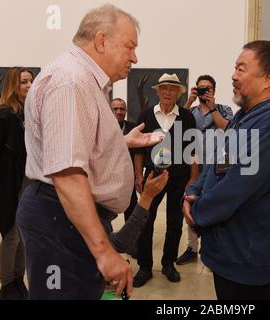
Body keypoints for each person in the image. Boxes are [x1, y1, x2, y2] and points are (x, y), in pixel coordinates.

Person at [16, 4, 163, 300]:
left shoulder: (82, 79)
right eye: (129, 47)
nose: (135, 57)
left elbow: (72, 147)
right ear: (101, 40)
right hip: (61, 221)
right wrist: (105, 252)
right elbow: (67, 175)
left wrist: (120, 144)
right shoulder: (72, 82)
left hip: (67, 219)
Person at [183, 40, 270, 300]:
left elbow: (237, 186)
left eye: (241, 69)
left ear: (268, 78)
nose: (233, 76)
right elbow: (218, 161)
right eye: (234, 68)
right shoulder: (245, 116)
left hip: (248, 258)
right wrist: (194, 189)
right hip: (228, 251)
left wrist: (197, 211)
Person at [132, 73, 198, 287]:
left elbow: (193, 150)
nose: (168, 92)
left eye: (173, 89)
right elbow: (139, 150)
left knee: (174, 222)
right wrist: (137, 175)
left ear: (178, 93)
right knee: (145, 220)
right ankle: (144, 266)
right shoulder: (145, 115)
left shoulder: (187, 117)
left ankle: (168, 263)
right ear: (158, 91)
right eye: (164, 88)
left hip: (179, 177)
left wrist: (193, 178)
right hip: (153, 175)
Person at [0, 67, 33, 300]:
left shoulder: (27, 113)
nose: (29, 86)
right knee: (11, 235)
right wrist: (1, 179)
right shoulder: (3, 113)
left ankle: (17, 280)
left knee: (23, 234)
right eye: (24, 82)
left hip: (27, 182)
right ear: (13, 84)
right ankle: (7, 285)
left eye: (31, 81)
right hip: (9, 185)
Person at [176, 75, 233, 265]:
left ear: (214, 90)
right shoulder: (190, 110)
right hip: (193, 165)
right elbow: (177, 125)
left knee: (215, 206)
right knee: (189, 204)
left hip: (218, 166)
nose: (204, 91)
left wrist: (213, 107)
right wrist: (189, 100)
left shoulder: (224, 109)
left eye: (207, 88)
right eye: (201, 88)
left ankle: (212, 248)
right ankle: (192, 248)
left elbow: (228, 130)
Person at [110, 98, 139, 222]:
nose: (118, 111)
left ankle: (131, 240)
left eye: (121, 109)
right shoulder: (101, 128)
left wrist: (138, 174)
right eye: (115, 109)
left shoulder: (133, 128)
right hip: (107, 179)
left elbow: (138, 152)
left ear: (126, 111)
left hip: (128, 177)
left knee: (131, 209)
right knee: (106, 212)